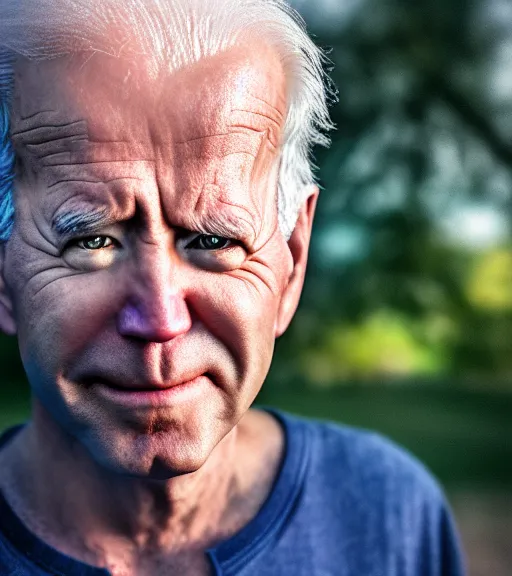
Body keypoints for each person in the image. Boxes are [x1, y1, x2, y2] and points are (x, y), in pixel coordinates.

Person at [0, 0, 465, 574]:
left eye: (215, 240)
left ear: (292, 260)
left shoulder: (388, 513)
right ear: (3, 272)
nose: (160, 319)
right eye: (92, 240)